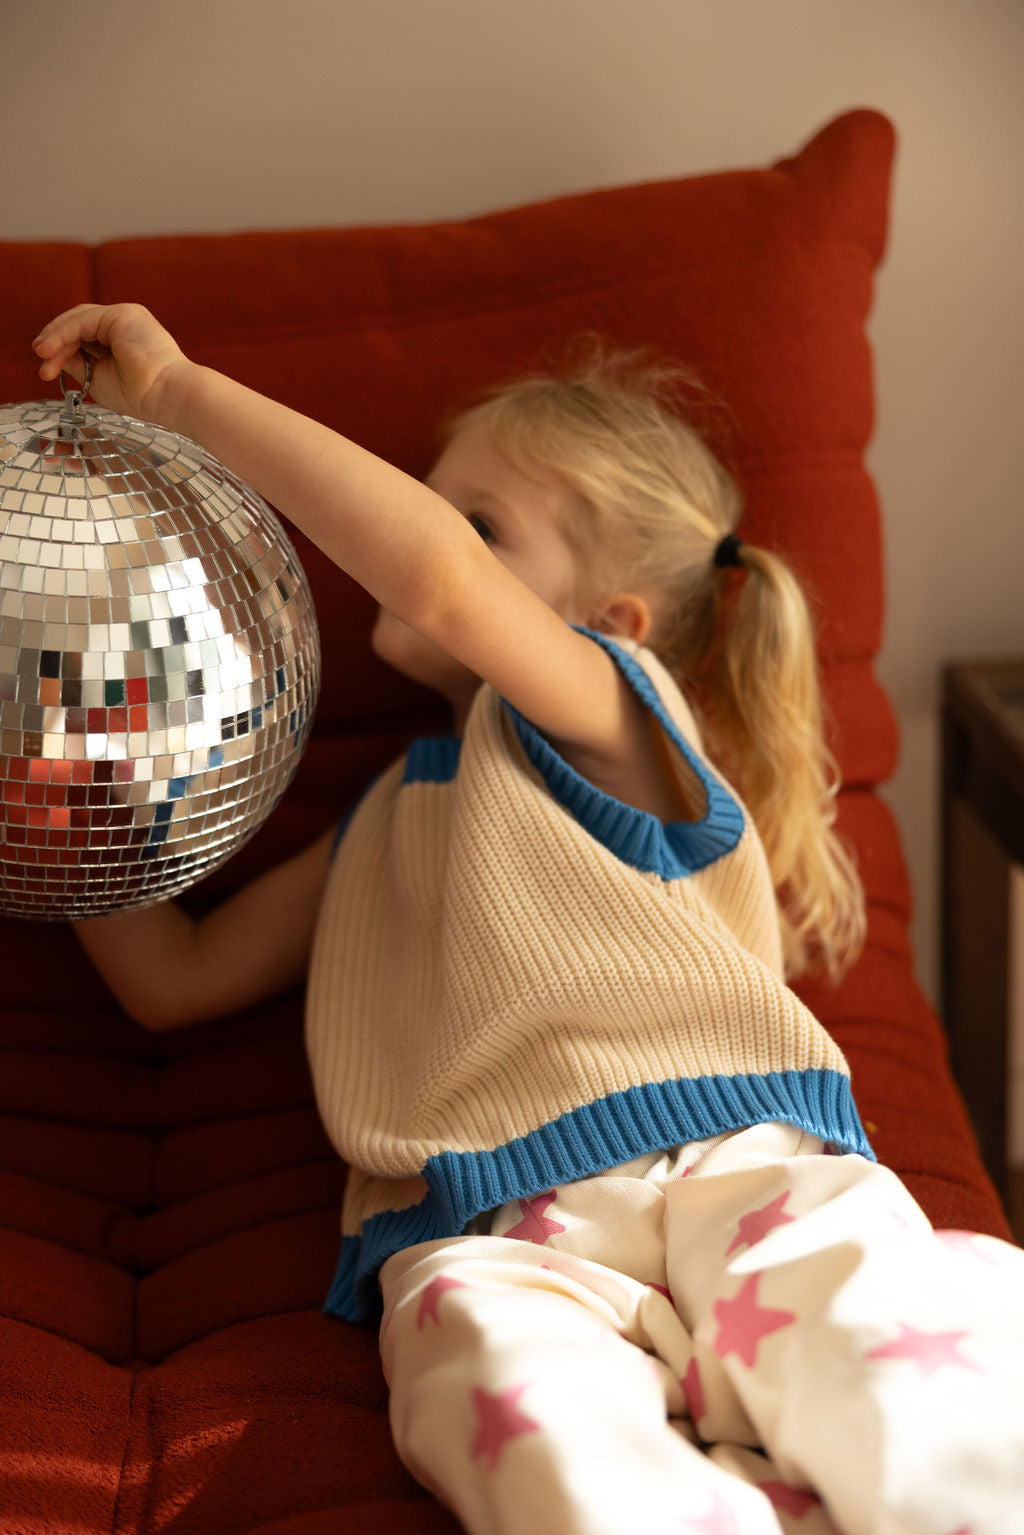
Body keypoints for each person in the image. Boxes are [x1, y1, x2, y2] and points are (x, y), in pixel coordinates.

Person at [33, 305, 1024, 1534]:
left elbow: (438, 582)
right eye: (435, 506)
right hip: (488, 1231)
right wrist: (54, 797)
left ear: (611, 620)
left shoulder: (605, 710)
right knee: (533, 1444)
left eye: (475, 518)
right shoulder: (391, 816)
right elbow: (173, 979)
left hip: (726, 1158)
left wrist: (184, 394)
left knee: (891, 1372)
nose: (426, 529)